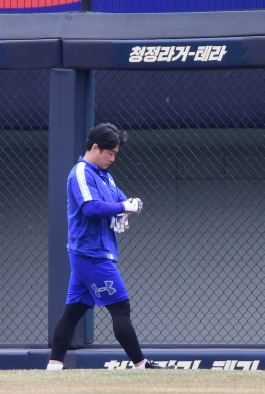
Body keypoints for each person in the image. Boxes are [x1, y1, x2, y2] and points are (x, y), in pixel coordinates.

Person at [47, 123, 169, 370]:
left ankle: (53, 367)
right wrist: (124, 208)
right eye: (110, 153)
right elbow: (91, 208)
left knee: (73, 312)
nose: (113, 158)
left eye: (115, 153)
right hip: (91, 255)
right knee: (121, 308)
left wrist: (131, 206)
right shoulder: (81, 172)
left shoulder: (105, 175)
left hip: (92, 254)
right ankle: (141, 365)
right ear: (95, 147)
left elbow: (122, 200)